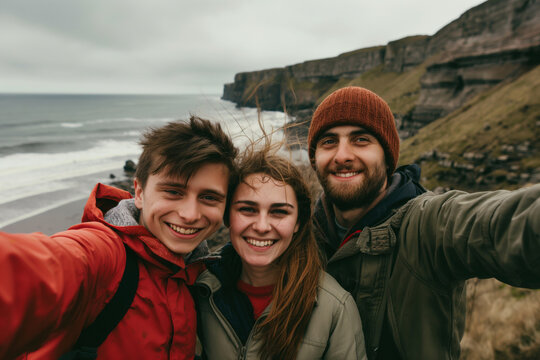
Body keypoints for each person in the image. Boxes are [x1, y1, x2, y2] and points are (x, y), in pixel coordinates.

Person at [307, 86, 540, 360]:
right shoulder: (300, 239)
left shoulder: (428, 224)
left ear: (387, 156)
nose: (342, 155)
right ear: (314, 158)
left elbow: (503, 223)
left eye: (361, 140)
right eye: (329, 141)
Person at [0, 116, 238, 360]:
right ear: (139, 193)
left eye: (209, 197)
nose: (189, 215)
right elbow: (34, 271)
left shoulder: (196, 273)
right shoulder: (104, 254)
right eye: (173, 192)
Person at [193, 146, 367, 360]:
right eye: (248, 209)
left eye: (279, 212)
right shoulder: (201, 290)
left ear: (298, 223)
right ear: (228, 217)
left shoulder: (334, 309)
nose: (262, 226)